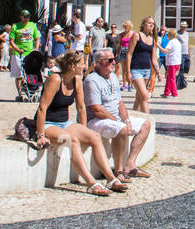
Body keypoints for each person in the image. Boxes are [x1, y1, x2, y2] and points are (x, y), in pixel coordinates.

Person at [35, 52, 128, 196]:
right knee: (71, 140)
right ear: (72, 67)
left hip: (64, 122)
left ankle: (111, 179)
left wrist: (84, 129)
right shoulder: (55, 79)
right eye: (81, 64)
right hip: (48, 123)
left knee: (95, 137)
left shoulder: (77, 80)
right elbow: (42, 108)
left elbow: (81, 107)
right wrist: (40, 134)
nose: (85, 66)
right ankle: (91, 183)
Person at [82, 49, 153, 178]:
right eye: (110, 60)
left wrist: (126, 120)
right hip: (96, 120)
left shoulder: (113, 77)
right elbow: (97, 109)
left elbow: (119, 102)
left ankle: (130, 165)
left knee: (145, 125)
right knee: (121, 129)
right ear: (98, 63)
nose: (114, 62)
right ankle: (118, 170)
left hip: (114, 118)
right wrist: (117, 121)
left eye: (114, 59)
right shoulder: (91, 81)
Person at [127, 17, 161, 112]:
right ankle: (148, 121)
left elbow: (154, 59)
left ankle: (133, 119)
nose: (151, 25)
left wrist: (158, 73)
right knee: (144, 95)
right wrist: (128, 72)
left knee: (139, 98)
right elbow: (129, 53)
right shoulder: (137, 36)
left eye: (153, 24)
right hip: (136, 69)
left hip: (147, 71)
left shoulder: (153, 40)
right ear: (143, 24)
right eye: (149, 23)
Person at [9, 11, 43, 98]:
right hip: (18, 53)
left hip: (29, 53)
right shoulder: (15, 27)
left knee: (29, 72)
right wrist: (18, 49)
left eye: (27, 17)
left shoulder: (32, 25)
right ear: (21, 17)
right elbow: (12, 42)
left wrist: (36, 48)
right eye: (24, 17)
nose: (26, 19)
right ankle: (20, 94)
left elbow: (36, 38)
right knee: (19, 74)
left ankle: (30, 89)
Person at [162, 28, 182, 98]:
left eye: (168, 34)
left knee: (171, 78)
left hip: (172, 62)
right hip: (177, 62)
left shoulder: (171, 42)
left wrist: (158, 46)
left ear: (170, 35)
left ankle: (174, 93)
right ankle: (167, 92)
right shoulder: (177, 42)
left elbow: (165, 51)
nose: (167, 36)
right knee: (169, 77)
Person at [116, 21, 134, 89]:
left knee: (129, 69)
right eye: (125, 26)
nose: (126, 28)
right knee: (123, 69)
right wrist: (117, 53)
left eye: (127, 26)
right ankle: (124, 84)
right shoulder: (121, 34)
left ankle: (130, 84)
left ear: (130, 27)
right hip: (123, 51)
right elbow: (119, 44)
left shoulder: (133, 34)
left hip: (130, 51)